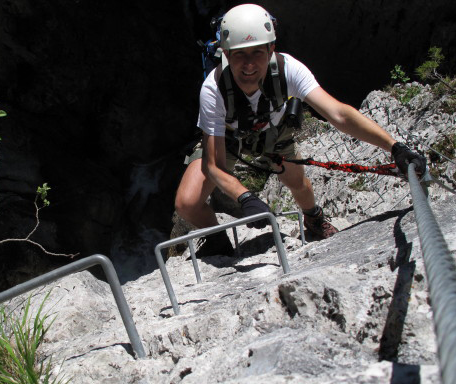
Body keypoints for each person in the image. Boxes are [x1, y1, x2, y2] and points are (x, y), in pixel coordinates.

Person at [174, 3, 426, 256]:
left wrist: (394, 147)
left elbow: (338, 113)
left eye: (257, 53)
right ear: (226, 54)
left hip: (273, 130)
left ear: (271, 49)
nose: (248, 64)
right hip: (228, 138)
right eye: (240, 54)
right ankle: (217, 239)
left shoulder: (288, 69)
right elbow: (213, 165)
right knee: (187, 202)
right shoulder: (213, 88)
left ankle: (313, 218)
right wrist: (245, 197)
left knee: (297, 182)